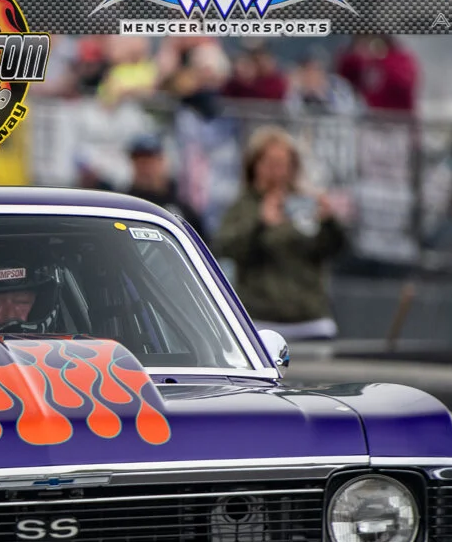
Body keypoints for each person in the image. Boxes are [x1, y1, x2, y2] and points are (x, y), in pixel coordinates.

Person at [212, 126, 346, 344]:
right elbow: (225, 247)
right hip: (261, 321)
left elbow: (333, 249)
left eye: (284, 164)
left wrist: (329, 222)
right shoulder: (243, 206)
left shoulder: (304, 202)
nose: (278, 172)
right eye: (271, 163)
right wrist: (260, 224)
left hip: (310, 319)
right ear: (255, 165)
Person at [124, 134, 197, 225]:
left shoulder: (181, 207)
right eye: (139, 162)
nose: (144, 169)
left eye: (149, 162)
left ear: (162, 162)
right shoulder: (125, 205)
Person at [336, 36, 417, 112]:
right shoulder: (356, 63)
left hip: (396, 116)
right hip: (371, 114)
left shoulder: (399, 62)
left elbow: (401, 85)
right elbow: (343, 80)